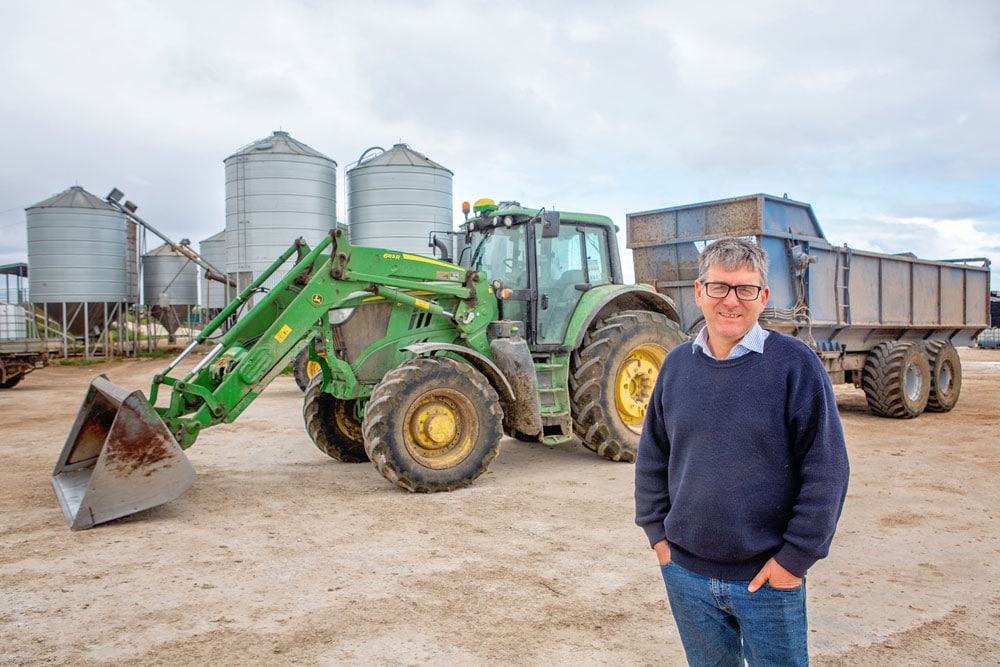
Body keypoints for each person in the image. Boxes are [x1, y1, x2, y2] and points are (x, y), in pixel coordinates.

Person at [634, 237, 850, 666]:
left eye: (745, 289)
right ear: (699, 292)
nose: (731, 301)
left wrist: (794, 559)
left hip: (767, 579)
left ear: (763, 297)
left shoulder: (794, 365)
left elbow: (827, 469)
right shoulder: (676, 365)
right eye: (719, 287)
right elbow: (653, 456)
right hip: (686, 575)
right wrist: (658, 537)